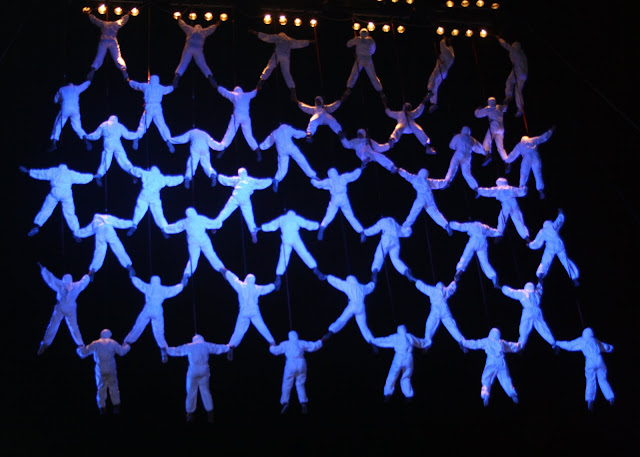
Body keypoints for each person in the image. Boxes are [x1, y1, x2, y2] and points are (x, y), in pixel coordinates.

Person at [166, 334, 230, 423]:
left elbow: (178, 350)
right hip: (204, 370)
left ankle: (190, 413)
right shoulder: (206, 345)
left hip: (193, 370)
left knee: (191, 391)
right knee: (205, 391)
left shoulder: (190, 346)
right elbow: (217, 348)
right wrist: (228, 347)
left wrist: (166, 349)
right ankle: (210, 412)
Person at [20, 164, 94, 236]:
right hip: (66, 193)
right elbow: (82, 177)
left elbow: (42, 173)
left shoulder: (54, 171)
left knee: (46, 209)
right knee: (70, 213)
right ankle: (76, 231)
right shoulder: (70, 173)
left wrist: (28, 171)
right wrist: (93, 176)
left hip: (55, 192)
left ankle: (37, 225)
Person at [124, 275, 185, 363]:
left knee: (138, 327)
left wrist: (132, 276)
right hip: (157, 310)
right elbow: (174, 290)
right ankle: (163, 349)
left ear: (152, 281)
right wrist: (182, 284)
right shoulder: (163, 289)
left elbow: (139, 283)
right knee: (159, 332)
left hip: (148, 309)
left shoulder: (148, 287)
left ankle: (127, 343)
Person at [260, 210, 325, 289]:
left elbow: (272, 225)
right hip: (295, 238)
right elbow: (307, 224)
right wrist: (317, 225)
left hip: (286, 239)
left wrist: (261, 228)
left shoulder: (282, 218)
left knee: (283, 258)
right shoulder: (296, 218)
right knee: (304, 253)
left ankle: (278, 276)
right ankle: (315, 268)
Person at [36, 263, 90, 355]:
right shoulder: (61, 285)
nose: (68, 287)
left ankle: (81, 345)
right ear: (64, 283)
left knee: (73, 327)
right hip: (61, 307)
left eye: (69, 284)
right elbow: (50, 279)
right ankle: (45, 343)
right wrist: (43, 270)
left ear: (71, 283)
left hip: (70, 308)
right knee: (53, 325)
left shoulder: (74, 286)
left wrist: (88, 275)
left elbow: (83, 282)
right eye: (66, 285)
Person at [556, 328, 615, 411]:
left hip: (590, 362)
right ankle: (610, 397)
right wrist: (610, 347)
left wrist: (557, 342)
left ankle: (590, 400)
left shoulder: (581, 340)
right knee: (602, 379)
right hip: (599, 360)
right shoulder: (594, 340)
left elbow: (569, 345)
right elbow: (605, 347)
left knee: (590, 380)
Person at [163, 207, 224, 284]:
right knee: (211, 255)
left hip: (192, 242)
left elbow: (176, 227)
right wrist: (216, 226)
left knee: (193, 260)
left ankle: (186, 274)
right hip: (203, 239)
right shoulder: (201, 218)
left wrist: (165, 229)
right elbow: (212, 223)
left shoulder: (186, 221)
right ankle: (221, 268)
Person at [461, 328, 521, 406]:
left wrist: (464, 342)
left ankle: (485, 394)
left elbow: (475, 344)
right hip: (501, 362)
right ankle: (512, 393)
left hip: (491, 361)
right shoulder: (501, 342)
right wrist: (519, 345)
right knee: (505, 378)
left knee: (487, 377)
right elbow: (511, 346)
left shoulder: (487, 341)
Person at [76, 329, 131, 415]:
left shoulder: (96, 343)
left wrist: (80, 348)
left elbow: (84, 353)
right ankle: (116, 406)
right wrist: (127, 346)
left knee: (101, 388)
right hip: (111, 367)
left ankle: (102, 407)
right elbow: (122, 352)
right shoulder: (112, 342)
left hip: (100, 368)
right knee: (114, 387)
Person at [269, 330, 323, 414]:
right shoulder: (301, 342)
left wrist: (271, 346)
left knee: (287, 383)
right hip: (301, 363)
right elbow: (313, 346)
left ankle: (285, 402)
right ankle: (303, 402)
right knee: (300, 383)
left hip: (291, 363)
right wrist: (321, 341)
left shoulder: (286, 343)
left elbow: (276, 350)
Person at [221, 268, 277, 348]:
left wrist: (226, 272)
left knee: (239, 330)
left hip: (244, 311)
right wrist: (274, 285)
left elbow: (233, 279)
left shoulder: (241, 286)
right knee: (262, 326)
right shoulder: (256, 287)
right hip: (254, 311)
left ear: (246, 279)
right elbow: (266, 288)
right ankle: (271, 341)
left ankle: (231, 344)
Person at [371, 325, 429, 402]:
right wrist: (426, 344)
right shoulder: (409, 336)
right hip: (408, 358)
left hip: (399, 357)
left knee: (392, 375)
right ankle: (408, 395)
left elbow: (385, 340)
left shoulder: (396, 337)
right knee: (406, 376)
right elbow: (419, 342)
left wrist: (374, 341)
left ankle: (387, 393)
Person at [214, 168, 272, 243]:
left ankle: (216, 224)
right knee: (249, 217)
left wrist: (218, 176)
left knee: (226, 212)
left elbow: (226, 180)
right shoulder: (250, 180)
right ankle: (253, 232)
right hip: (245, 198)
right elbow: (261, 183)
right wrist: (270, 181)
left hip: (236, 196)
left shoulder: (237, 179)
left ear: (239, 173)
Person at [74, 213, 136, 280]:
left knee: (99, 252)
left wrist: (77, 234)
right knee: (118, 248)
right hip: (108, 229)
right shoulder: (108, 217)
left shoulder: (94, 221)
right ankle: (129, 266)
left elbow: (87, 231)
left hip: (99, 231)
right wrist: (132, 224)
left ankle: (93, 270)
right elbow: (119, 223)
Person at [311, 167, 366, 242]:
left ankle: (322, 227)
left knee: (329, 215)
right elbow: (354, 175)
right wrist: (360, 169)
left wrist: (313, 179)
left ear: (329, 175)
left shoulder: (329, 181)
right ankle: (361, 231)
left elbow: (318, 184)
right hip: (343, 198)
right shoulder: (343, 177)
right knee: (350, 216)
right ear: (336, 172)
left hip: (335, 199)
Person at [251, 30, 310, 100]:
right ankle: (292, 89)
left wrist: (256, 33)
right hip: (285, 57)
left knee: (270, 67)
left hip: (278, 54)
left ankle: (261, 81)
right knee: (286, 73)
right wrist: (310, 42)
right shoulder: (289, 40)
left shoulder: (278, 37)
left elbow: (267, 37)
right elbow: (299, 43)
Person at [126, 165, 184, 235]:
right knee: (158, 213)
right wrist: (182, 178)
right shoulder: (162, 178)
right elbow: (172, 180)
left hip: (144, 194)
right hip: (154, 196)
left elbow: (137, 170)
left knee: (139, 210)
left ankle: (134, 224)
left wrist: (131, 170)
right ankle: (164, 228)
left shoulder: (146, 173)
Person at [259, 124, 318, 192]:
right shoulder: (287, 128)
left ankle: (277, 179)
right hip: (291, 148)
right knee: (302, 160)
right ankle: (313, 176)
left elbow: (269, 142)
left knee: (282, 167)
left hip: (281, 151)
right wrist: (306, 134)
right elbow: (297, 133)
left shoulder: (275, 132)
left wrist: (260, 147)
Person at [528, 209, 580, 286]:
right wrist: (561, 214)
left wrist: (530, 244)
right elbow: (559, 221)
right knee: (565, 261)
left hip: (550, 247)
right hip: (559, 246)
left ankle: (540, 274)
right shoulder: (553, 226)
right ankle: (574, 278)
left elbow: (537, 242)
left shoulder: (542, 231)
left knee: (545, 261)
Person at [84, 115, 141, 184]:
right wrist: (136, 136)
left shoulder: (104, 124)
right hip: (117, 144)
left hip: (108, 144)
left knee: (106, 160)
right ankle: (133, 172)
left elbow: (96, 135)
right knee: (124, 160)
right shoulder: (119, 125)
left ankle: (100, 174)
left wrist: (87, 136)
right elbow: (127, 135)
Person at [323, 274, 376, 343]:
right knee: (363, 327)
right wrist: (374, 278)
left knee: (341, 320)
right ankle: (371, 341)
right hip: (361, 307)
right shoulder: (362, 287)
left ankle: (330, 332)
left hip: (352, 305)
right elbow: (370, 286)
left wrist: (328, 277)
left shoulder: (348, 285)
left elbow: (337, 282)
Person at [501, 282, 556, 349]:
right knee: (543, 328)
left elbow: (511, 292)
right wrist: (539, 281)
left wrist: (502, 287)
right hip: (537, 311)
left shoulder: (523, 293)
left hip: (528, 311)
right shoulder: (537, 293)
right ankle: (553, 342)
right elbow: (540, 288)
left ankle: (521, 344)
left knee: (524, 328)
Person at [504, 127, 555, 199]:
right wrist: (550, 131)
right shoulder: (532, 140)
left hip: (526, 157)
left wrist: (507, 161)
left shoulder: (520, 144)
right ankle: (541, 190)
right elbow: (543, 137)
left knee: (524, 173)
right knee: (538, 173)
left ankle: (522, 188)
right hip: (535, 156)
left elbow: (513, 155)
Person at [415, 279, 466, 349]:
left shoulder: (434, 290)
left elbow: (423, 287)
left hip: (437, 312)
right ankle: (461, 341)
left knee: (430, 326)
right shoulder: (443, 290)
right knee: (451, 327)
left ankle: (427, 342)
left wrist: (416, 281)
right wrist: (454, 281)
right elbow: (452, 288)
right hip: (443, 312)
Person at [129, 75, 175, 152]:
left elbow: (136, 85)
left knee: (143, 124)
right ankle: (168, 140)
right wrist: (174, 83)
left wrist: (130, 81)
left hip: (149, 108)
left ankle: (137, 137)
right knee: (162, 125)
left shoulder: (146, 86)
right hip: (157, 109)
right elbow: (171, 88)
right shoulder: (160, 88)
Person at [450, 220, 502, 288]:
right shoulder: (485, 227)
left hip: (474, 240)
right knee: (485, 263)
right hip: (483, 243)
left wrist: (450, 224)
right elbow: (495, 232)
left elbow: (460, 226)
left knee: (465, 256)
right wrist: (499, 233)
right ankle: (494, 278)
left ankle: (459, 271)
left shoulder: (472, 225)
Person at [398, 168, 450, 233]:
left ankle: (405, 226)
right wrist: (445, 183)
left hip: (421, 198)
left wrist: (399, 170)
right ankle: (445, 225)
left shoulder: (415, 178)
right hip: (428, 197)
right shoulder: (427, 181)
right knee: (434, 213)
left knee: (414, 212)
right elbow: (437, 183)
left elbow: (407, 175)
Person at [173, 18, 221, 88]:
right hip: (198, 50)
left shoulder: (190, 29)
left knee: (183, 63)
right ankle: (210, 76)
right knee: (203, 65)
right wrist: (216, 24)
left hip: (189, 48)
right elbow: (211, 29)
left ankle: (177, 76)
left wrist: (179, 19)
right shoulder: (203, 31)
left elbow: (183, 25)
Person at [364, 217, 415, 282]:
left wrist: (365, 233)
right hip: (395, 240)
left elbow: (375, 229)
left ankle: (374, 273)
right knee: (395, 259)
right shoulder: (394, 223)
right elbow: (402, 232)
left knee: (379, 256)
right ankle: (406, 271)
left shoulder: (383, 221)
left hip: (387, 239)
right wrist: (408, 230)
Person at [48, 79, 92, 152]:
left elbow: (55, 100)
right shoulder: (76, 88)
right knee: (78, 127)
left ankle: (54, 143)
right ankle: (85, 139)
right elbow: (85, 85)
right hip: (75, 110)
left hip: (65, 109)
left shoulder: (62, 89)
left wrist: (61, 99)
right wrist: (89, 80)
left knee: (58, 125)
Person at [85, 11, 130, 81]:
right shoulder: (116, 24)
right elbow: (123, 20)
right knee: (117, 57)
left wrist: (89, 14)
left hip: (104, 41)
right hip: (112, 41)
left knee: (99, 57)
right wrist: (128, 14)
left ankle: (93, 70)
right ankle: (124, 71)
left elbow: (95, 20)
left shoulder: (103, 23)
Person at [217, 85, 260, 155]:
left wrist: (218, 87)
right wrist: (261, 82)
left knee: (230, 133)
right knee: (249, 136)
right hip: (246, 118)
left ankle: (223, 148)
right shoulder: (247, 95)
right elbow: (256, 90)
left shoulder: (234, 95)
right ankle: (257, 150)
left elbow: (224, 92)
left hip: (237, 117)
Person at [345, 29, 385, 100]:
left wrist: (355, 41)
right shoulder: (371, 40)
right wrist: (367, 52)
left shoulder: (359, 39)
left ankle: (349, 87)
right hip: (368, 59)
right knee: (373, 76)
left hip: (360, 58)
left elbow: (348, 44)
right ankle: (380, 90)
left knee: (354, 74)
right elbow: (373, 50)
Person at [444, 126, 488, 191]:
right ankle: (475, 187)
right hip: (467, 156)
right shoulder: (472, 139)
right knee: (466, 173)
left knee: (452, 168)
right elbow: (478, 148)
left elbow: (451, 146)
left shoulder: (458, 136)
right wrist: (485, 153)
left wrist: (456, 146)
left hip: (458, 153)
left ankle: (447, 181)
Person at [498, 37, 528, 117]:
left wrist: (500, 39)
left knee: (517, 90)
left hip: (519, 73)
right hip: (520, 72)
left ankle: (520, 107)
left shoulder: (515, 50)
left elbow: (506, 45)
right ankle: (509, 95)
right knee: (509, 81)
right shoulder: (522, 54)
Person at [474, 97, 508, 165]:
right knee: (500, 147)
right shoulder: (499, 107)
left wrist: (478, 109)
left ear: (489, 102)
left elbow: (477, 114)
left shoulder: (488, 108)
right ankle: (507, 161)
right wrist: (505, 103)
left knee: (486, 142)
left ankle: (488, 154)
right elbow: (505, 107)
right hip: (501, 129)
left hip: (494, 127)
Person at [425, 38, 455, 113]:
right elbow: (446, 46)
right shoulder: (452, 53)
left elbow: (442, 45)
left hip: (440, 69)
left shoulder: (447, 52)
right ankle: (433, 103)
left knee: (432, 81)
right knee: (435, 86)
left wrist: (443, 39)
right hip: (444, 72)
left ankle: (430, 93)